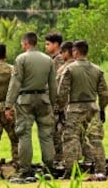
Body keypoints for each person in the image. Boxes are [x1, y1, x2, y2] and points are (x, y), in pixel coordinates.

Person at [5, 31, 58, 175]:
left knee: (24, 134)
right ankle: (49, 167)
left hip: (25, 101)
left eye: (22, 43)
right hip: (43, 100)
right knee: (46, 134)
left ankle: (25, 169)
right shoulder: (48, 60)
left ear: (26, 43)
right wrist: (53, 104)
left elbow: (15, 83)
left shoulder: (21, 59)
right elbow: (53, 85)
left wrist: (8, 105)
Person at [57, 39, 108, 175]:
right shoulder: (97, 70)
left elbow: (62, 92)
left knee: (71, 139)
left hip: (75, 108)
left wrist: (60, 109)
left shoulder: (69, 69)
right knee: (95, 139)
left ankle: (71, 171)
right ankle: (100, 170)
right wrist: (102, 108)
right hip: (93, 107)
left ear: (75, 52)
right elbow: (104, 93)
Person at [45, 32, 68, 167]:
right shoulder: (53, 59)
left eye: (48, 44)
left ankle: (60, 160)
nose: (46, 47)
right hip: (56, 102)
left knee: (57, 133)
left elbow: (59, 83)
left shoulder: (58, 60)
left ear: (56, 44)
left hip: (59, 103)